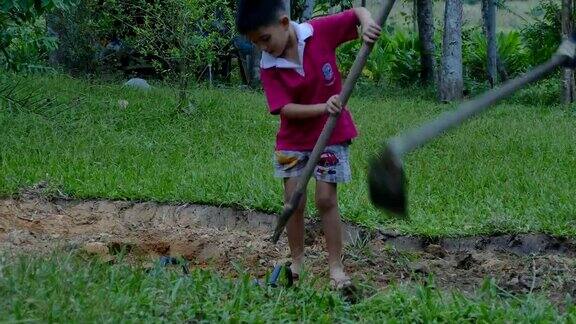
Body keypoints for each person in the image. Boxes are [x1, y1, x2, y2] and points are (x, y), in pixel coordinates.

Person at [236, 0, 381, 289]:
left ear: (284, 22)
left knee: (326, 199)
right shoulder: (269, 65)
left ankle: (336, 268)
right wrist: (322, 108)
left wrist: (366, 24)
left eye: (265, 39)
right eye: (256, 43)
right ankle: (298, 261)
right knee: (294, 201)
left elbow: (356, 14)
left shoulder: (319, 32)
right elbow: (285, 109)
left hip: (331, 134)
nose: (263, 47)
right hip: (294, 139)